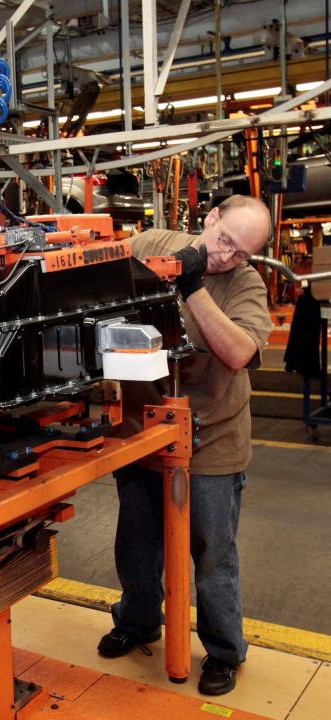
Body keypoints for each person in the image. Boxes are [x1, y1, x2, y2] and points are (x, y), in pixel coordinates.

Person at [97, 195, 273, 696]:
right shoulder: (152, 245)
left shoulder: (244, 284)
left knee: (213, 554)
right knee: (136, 541)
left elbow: (240, 352)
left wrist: (193, 285)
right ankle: (136, 622)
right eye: (223, 242)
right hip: (143, 431)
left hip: (212, 439)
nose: (226, 257)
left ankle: (223, 650)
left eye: (241, 253)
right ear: (209, 217)